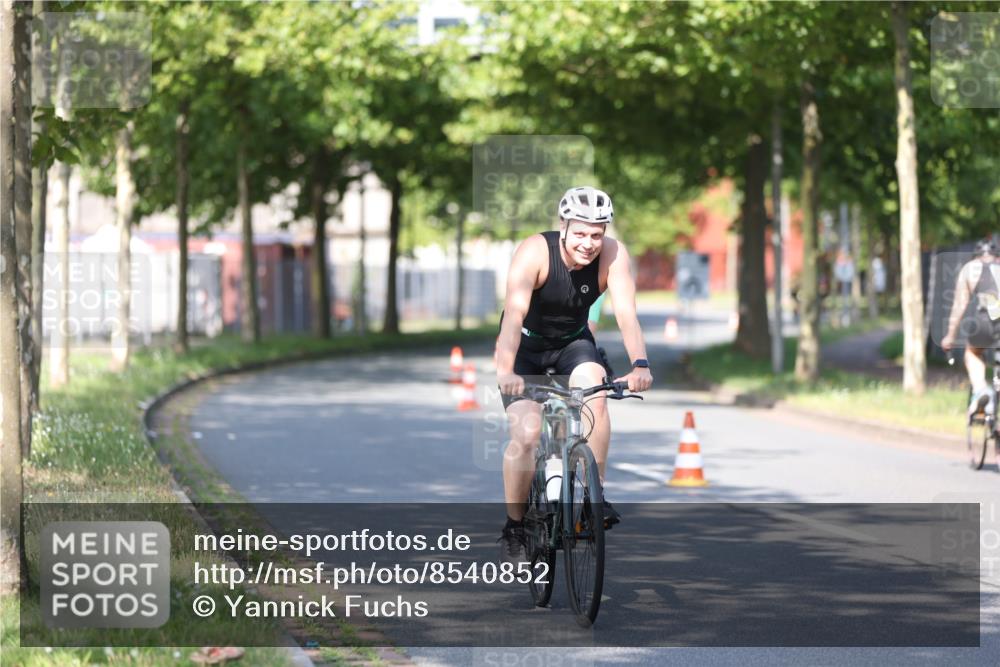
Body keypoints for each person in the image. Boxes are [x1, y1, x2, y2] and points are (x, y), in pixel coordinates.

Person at [495, 186, 653, 563]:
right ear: (563, 226)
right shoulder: (534, 252)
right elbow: (514, 316)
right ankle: (515, 524)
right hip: (526, 350)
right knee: (528, 434)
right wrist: (505, 371)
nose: (589, 243)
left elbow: (626, 313)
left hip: (572, 344)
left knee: (595, 396)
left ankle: (592, 500)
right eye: (580, 233)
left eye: (596, 234)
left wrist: (640, 364)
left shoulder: (613, 254)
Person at [941, 238, 1000, 417]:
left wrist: (950, 336)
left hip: (984, 322)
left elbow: (959, 305)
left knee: (972, 353)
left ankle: (982, 390)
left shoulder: (970, 268)